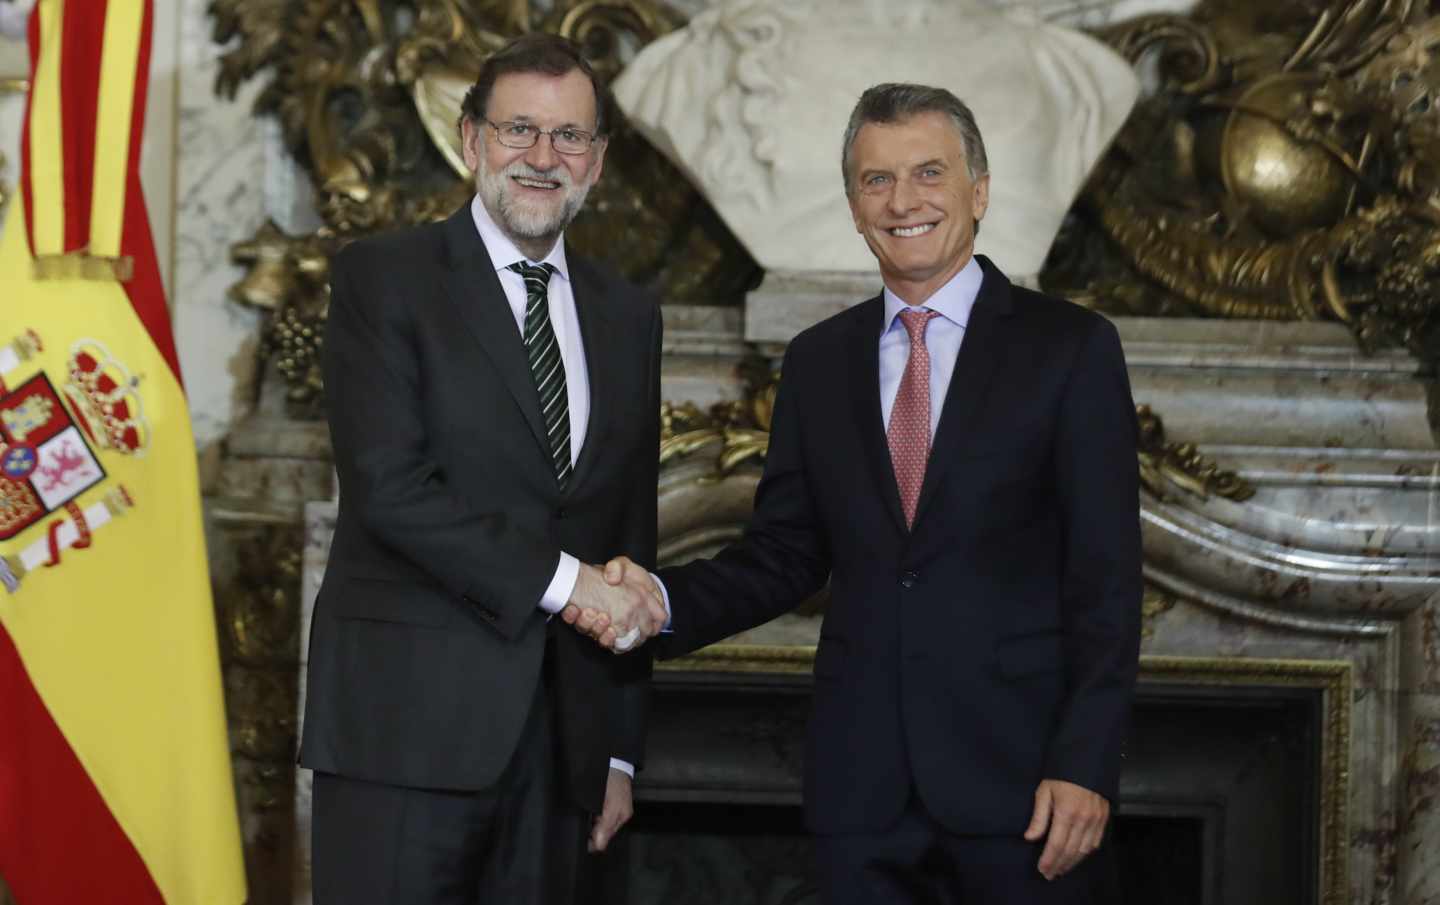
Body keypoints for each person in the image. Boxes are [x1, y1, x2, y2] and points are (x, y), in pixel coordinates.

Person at [576, 83, 1142, 903]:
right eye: (877, 180)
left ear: (977, 192)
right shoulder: (817, 361)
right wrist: (660, 601)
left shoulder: (1073, 350)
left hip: (1026, 793)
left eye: (928, 173)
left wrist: (1086, 764)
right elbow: (785, 551)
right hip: (863, 796)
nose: (902, 200)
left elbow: (1107, 580)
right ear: (852, 203)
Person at [300, 33, 668, 905]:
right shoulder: (382, 280)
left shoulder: (628, 314)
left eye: (570, 137)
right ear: (470, 141)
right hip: (404, 739)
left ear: (599, 160)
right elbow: (391, 489)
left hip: (562, 757)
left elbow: (629, 526)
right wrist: (570, 581)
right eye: (519, 131)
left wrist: (616, 750)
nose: (543, 158)